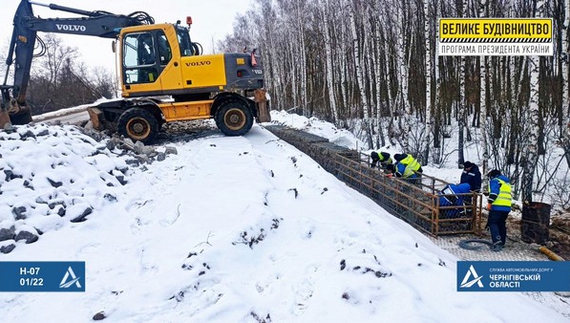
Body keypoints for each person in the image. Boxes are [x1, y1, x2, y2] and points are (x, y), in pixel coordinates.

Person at [487, 169, 512, 252]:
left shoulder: (495, 181)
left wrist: (490, 202)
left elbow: (494, 192)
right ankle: (502, 242)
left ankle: (497, 241)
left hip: (497, 206)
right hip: (507, 207)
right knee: (501, 223)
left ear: (493, 176)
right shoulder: (507, 183)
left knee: (492, 222)